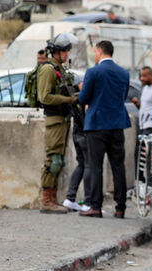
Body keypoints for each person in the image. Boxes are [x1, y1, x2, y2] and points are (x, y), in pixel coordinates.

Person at [78, 40, 130, 219]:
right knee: (118, 166)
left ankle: (95, 206)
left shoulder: (93, 72)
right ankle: (120, 207)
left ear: (99, 51)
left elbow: (83, 98)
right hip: (117, 124)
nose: (94, 55)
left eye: (95, 52)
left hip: (97, 124)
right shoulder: (123, 73)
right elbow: (122, 97)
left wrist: (82, 89)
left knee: (95, 166)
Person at [37, 33, 79, 214]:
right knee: (52, 160)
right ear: (56, 52)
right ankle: (46, 200)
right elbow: (44, 97)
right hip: (54, 120)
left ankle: (53, 198)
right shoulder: (48, 69)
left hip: (63, 119)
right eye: (64, 50)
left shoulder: (59, 69)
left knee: (59, 161)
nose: (67, 54)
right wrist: (67, 99)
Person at [63, 72, 91, 213]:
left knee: (81, 164)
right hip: (85, 134)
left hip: (76, 133)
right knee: (88, 165)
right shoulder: (83, 97)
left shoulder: (74, 98)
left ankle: (70, 198)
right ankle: (88, 202)